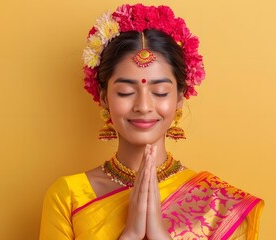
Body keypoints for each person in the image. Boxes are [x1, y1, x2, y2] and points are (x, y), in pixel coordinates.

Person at [39, 3, 264, 240]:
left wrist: (158, 234)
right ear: (104, 97)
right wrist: (131, 234)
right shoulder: (69, 197)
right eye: (125, 91)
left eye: (160, 92)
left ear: (179, 97)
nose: (143, 106)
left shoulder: (218, 206)